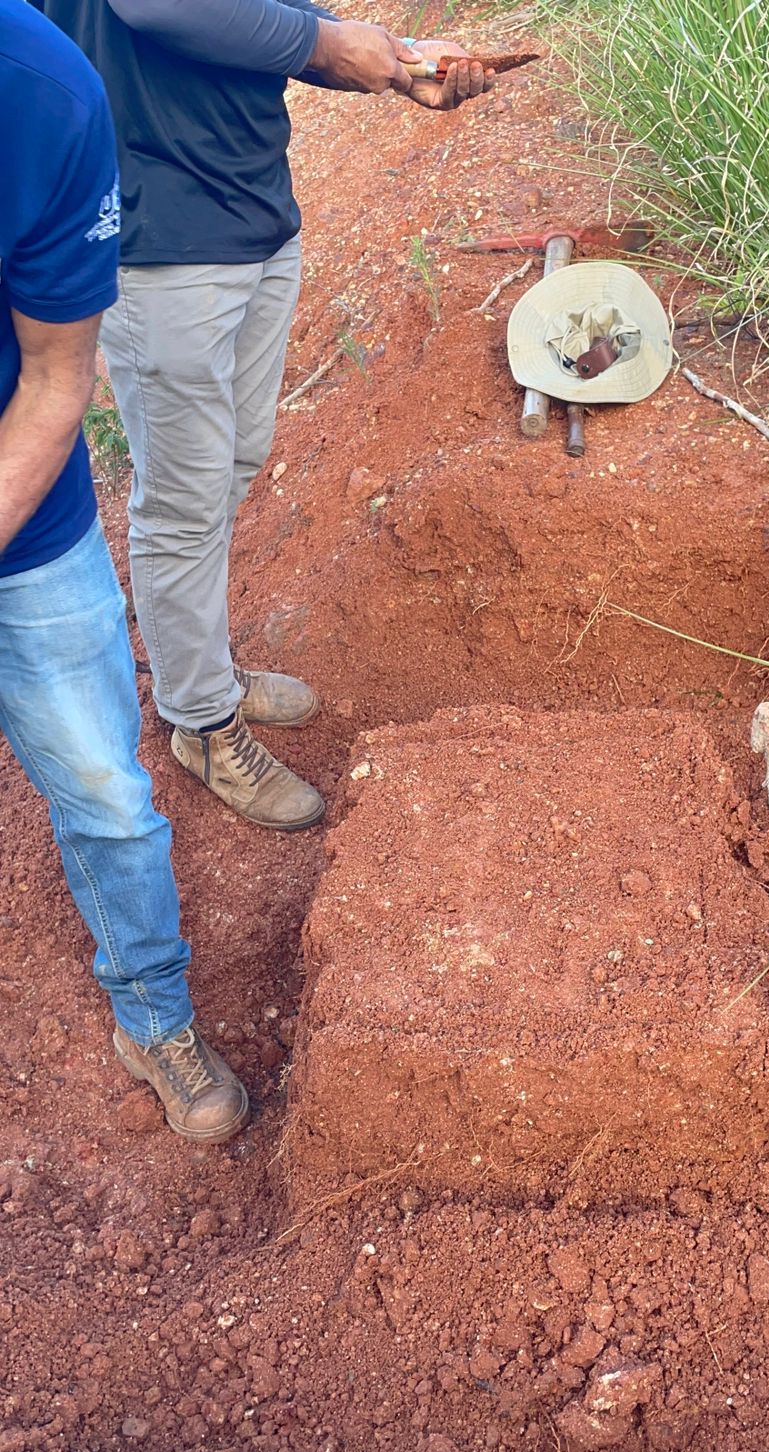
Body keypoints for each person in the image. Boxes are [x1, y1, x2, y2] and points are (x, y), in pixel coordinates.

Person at [35, 0, 494, 832]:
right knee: (182, 497)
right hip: (159, 238)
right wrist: (328, 42)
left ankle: (198, 668)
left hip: (252, 216)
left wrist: (395, 61)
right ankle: (203, 724)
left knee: (233, 463)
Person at [0, 0, 249, 1144]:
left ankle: (152, 1012)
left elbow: (58, 379)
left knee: (107, 793)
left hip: (23, 513)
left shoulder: (42, 94)